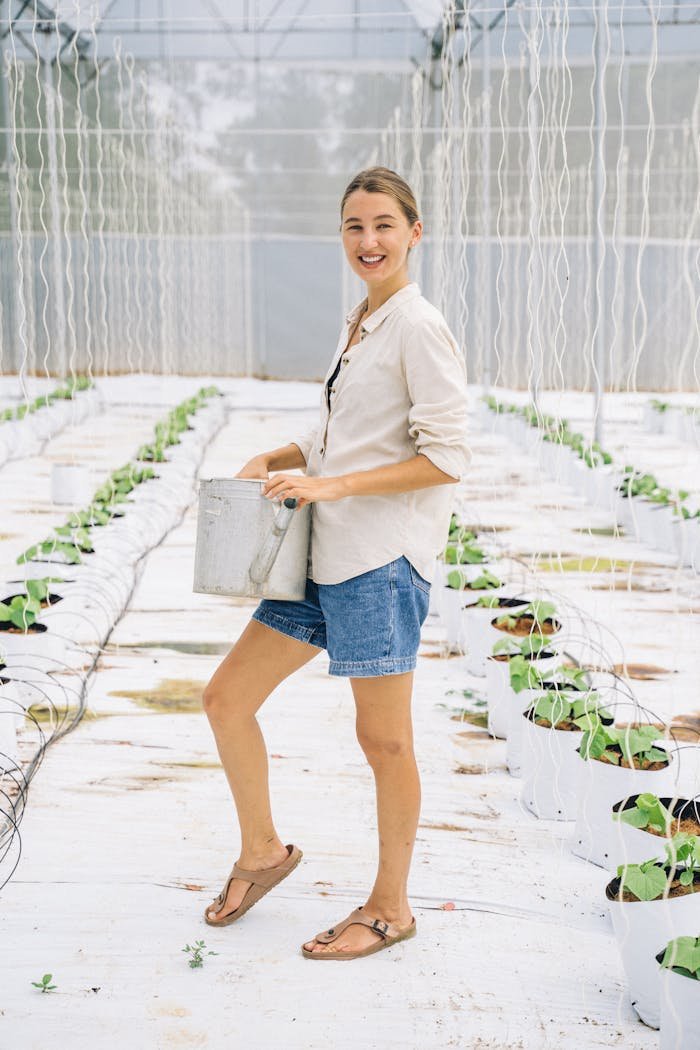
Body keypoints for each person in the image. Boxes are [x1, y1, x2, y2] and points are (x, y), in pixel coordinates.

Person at [202, 166, 470, 961]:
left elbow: (448, 456)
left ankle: (390, 908)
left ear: (415, 233)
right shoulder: (360, 323)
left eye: (385, 225)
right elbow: (341, 434)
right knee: (225, 699)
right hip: (325, 555)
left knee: (383, 743)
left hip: (380, 561)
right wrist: (280, 453)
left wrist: (333, 485)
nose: (369, 241)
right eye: (355, 227)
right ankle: (262, 852)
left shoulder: (419, 327)